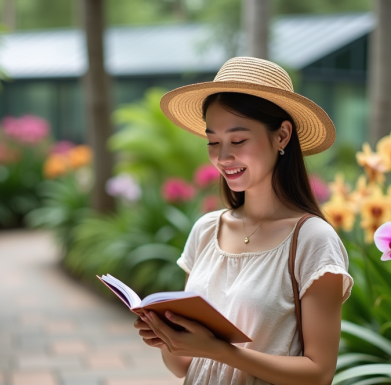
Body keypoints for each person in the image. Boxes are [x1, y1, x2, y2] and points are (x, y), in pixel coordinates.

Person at [133, 57, 354, 385]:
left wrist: (219, 350)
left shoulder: (312, 240)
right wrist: (168, 338)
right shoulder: (206, 230)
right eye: (213, 141)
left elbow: (319, 373)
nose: (222, 157)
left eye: (238, 141)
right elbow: (183, 367)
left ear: (282, 136)